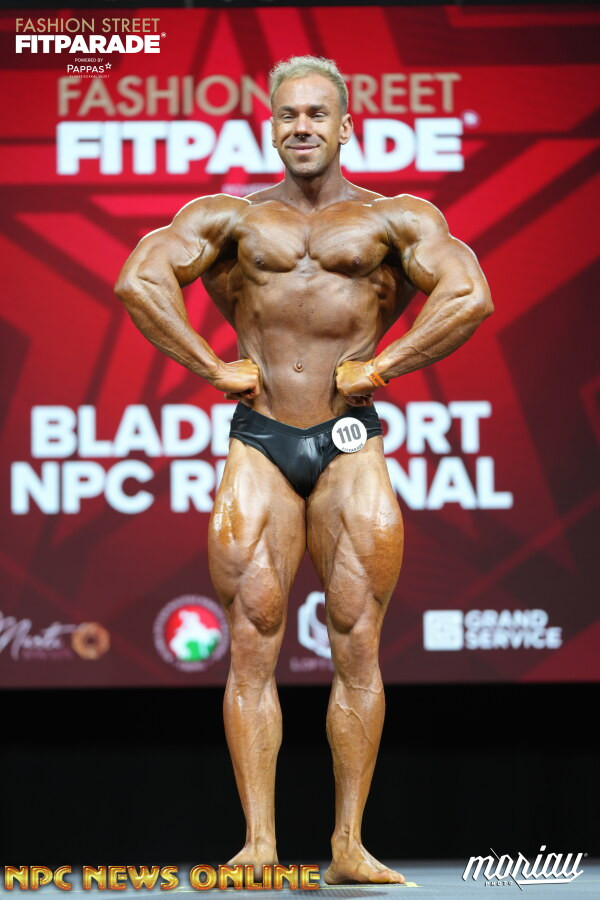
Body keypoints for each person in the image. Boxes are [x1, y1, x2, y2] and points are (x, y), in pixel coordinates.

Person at [115, 55, 493, 885]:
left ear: (345, 125)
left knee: (357, 639)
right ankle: (258, 844)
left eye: (318, 113)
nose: (302, 126)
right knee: (251, 641)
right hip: (260, 443)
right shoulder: (233, 219)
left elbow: (470, 294)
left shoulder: (394, 218)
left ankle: (349, 844)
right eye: (288, 114)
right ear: (272, 126)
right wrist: (209, 365)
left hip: (350, 443)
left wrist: (384, 364)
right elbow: (140, 279)